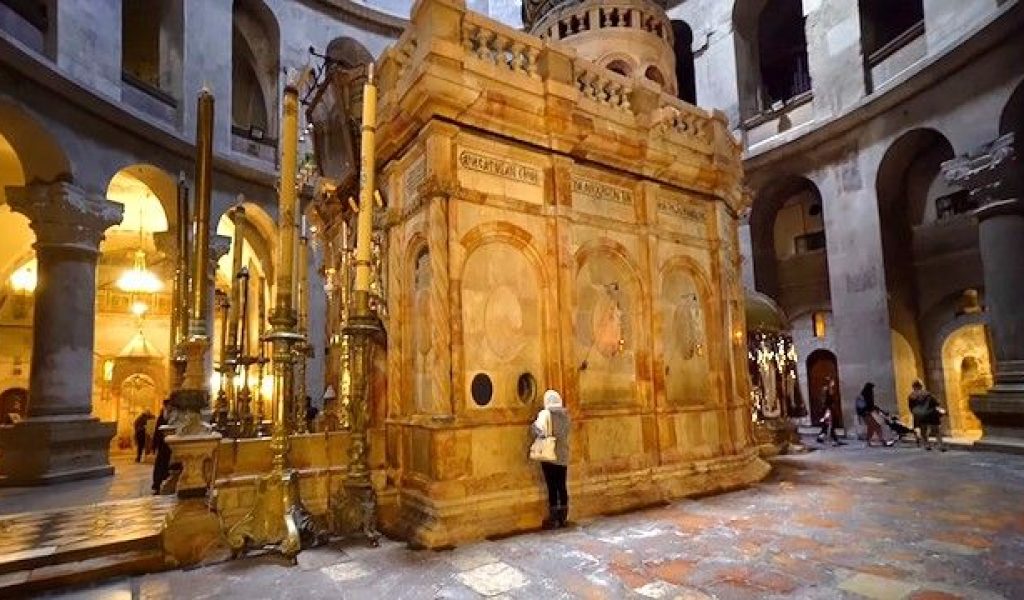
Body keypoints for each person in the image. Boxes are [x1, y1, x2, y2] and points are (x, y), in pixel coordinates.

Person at [531, 389, 571, 529]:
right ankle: (563, 517)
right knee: (562, 485)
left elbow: (538, 430)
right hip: (563, 455)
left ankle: (554, 518)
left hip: (549, 456)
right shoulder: (566, 416)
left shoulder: (545, 414)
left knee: (552, 487)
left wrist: (534, 426)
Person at [909, 380, 947, 452]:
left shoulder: (911, 396)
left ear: (913, 387)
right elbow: (936, 403)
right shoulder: (928, 394)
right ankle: (940, 445)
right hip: (931, 413)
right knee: (936, 430)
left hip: (921, 415)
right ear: (921, 386)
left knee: (923, 430)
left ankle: (927, 445)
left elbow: (911, 408)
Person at [855, 383, 893, 447]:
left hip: (866, 414)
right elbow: (865, 407)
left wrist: (879, 410)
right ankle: (882, 441)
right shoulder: (863, 396)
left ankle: (870, 441)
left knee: (872, 427)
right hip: (866, 414)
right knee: (876, 426)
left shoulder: (863, 396)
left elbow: (870, 406)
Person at [152, 398, 172, 494]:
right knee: (160, 465)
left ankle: (165, 482)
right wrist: (154, 445)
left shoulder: (170, 416)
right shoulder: (162, 417)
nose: (169, 407)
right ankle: (157, 484)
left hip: (169, 446)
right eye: (168, 405)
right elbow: (157, 432)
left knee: (167, 465)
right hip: (162, 445)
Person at [816, 378, 842, 446]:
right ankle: (834, 439)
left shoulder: (829, 390)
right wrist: (826, 409)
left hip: (829, 409)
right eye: (832, 382)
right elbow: (824, 400)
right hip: (827, 410)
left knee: (827, 425)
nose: (833, 383)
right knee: (829, 424)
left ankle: (821, 437)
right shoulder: (825, 390)